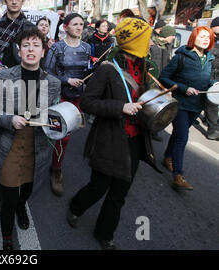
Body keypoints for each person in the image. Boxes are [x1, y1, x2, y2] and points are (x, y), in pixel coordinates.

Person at [67, 17, 163, 250]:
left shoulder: (144, 67)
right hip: (110, 139)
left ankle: (105, 233)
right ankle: (76, 207)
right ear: (133, 42)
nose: (151, 43)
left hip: (135, 140)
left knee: (120, 192)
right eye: (146, 39)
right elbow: (88, 102)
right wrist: (119, 107)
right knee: (99, 187)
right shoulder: (108, 69)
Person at [0, 28, 60, 250]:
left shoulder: (54, 82)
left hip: (38, 145)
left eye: (36, 45)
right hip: (10, 143)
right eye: (26, 45)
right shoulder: (6, 75)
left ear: (43, 51)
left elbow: (56, 115)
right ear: (19, 51)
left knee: (28, 188)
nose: (30, 49)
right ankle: (7, 238)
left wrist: (61, 123)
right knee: (8, 193)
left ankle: (22, 205)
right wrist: (10, 120)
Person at [159, 26, 216, 190]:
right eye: (202, 36)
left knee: (178, 134)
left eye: (209, 37)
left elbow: (208, 81)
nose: (206, 39)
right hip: (180, 104)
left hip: (197, 106)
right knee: (183, 137)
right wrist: (184, 88)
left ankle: (168, 157)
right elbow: (164, 77)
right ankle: (178, 174)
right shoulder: (181, 57)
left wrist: (214, 86)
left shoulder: (210, 59)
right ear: (194, 38)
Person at [44, 13, 91, 196]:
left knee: (66, 136)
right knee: (58, 135)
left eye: (81, 24)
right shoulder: (57, 48)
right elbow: (46, 73)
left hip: (77, 98)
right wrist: (67, 80)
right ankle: (51, 167)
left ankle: (56, 167)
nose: (79, 27)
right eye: (75, 24)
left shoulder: (87, 47)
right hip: (60, 98)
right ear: (66, 27)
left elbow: (88, 70)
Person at [204, 17, 219, 140]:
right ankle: (213, 130)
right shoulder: (206, 38)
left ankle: (213, 127)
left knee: (213, 103)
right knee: (212, 103)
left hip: (216, 76)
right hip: (207, 75)